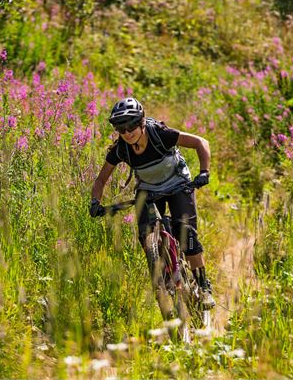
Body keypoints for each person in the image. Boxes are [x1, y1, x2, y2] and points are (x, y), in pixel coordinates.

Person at [89, 97, 216, 309]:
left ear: (141, 122)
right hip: (148, 189)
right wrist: (95, 201)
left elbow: (201, 143)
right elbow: (101, 179)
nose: (127, 133)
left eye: (131, 125)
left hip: (178, 184)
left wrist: (204, 172)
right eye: (121, 128)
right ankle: (162, 272)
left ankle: (203, 287)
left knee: (186, 235)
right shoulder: (121, 149)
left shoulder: (161, 135)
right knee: (144, 232)